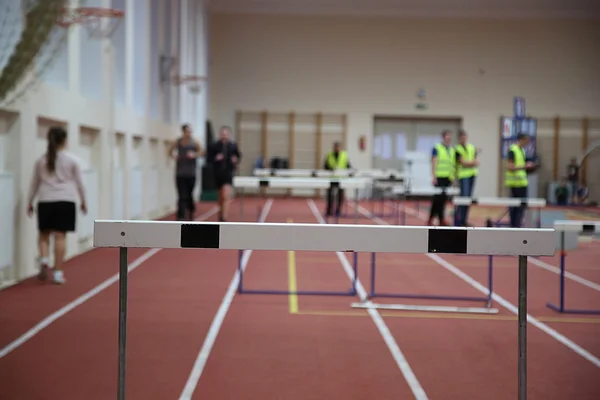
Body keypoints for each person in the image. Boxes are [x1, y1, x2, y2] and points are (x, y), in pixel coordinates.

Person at [26, 126, 87, 285]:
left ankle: (44, 259)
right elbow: (80, 182)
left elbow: (34, 183)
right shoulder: (72, 160)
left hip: (45, 200)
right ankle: (58, 272)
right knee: (60, 236)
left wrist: (29, 202)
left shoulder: (41, 160)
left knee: (43, 235)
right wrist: (83, 200)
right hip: (65, 200)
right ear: (65, 140)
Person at [167, 124, 204, 221]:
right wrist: (174, 156)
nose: (189, 133)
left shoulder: (194, 142)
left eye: (190, 131)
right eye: (187, 131)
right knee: (181, 195)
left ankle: (191, 211)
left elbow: (202, 151)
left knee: (189, 194)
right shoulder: (178, 141)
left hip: (191, 173)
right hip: (180, 173)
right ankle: (181, 216)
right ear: (183, 132)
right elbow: (169, 151)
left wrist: (194, 154)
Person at [207, 125, 241, 222]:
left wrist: (235, 160)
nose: (224, 136)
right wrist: (215, 158)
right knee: (221, 197)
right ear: (220, 135)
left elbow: (238, 157)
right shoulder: (214, 146)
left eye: (226, 134)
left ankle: (224, 218)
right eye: (222, 134)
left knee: (226, 195)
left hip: (228, 172)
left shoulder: (233, 146)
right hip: (218, 173)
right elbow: (209, 159)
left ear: (229, 135)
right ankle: (220, 214)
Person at [505, 133, 536, 227]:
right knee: (515, 207)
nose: (527, 143)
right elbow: (510, 167)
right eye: (526, 140)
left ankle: (517, 224)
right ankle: (514, 225)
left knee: (521, 207)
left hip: (522, 182)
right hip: (515, 183)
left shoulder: (522, 150)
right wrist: (525, 166)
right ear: (521, 139)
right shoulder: (513, 150)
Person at [453, 130, 479, 226]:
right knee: (463, 198)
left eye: (465, 137)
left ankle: (464, 219)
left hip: (472, 174)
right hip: (463, 176)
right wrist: (471, 163)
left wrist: (471, 163)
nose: (463, 139)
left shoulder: (471, 147)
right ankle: (459, 220)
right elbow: (462, 162)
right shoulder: (457, 149)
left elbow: (476, 160)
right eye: (462, 137)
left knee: (468, 199)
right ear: (459, 138)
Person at [429, 130, 455, 226]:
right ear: (443, 137)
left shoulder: (452, 149)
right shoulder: (437, 148)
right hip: (439, 176)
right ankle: (436, 218)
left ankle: (439, 218)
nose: (448, 139)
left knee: (443, 199)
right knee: (437, 199)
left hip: (448, 177)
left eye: (450, 138)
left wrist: (452, 177)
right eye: (447, 137)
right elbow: (434, 162)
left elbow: (452, 164)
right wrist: (434, 176)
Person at [323, 141, 352, 217]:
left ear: (340, 148)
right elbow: (325, 165)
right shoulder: (329, 155)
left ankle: (338, 211)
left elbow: (348, 165)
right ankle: (329, 211)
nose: (336, 148)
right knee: (330, 195)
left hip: (341, 179)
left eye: (338, 147)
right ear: (333, 148)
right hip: (332, 178)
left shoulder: (344, 155)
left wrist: (350, 172)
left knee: (340, 196)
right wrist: (330, 168)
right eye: (335, 147)